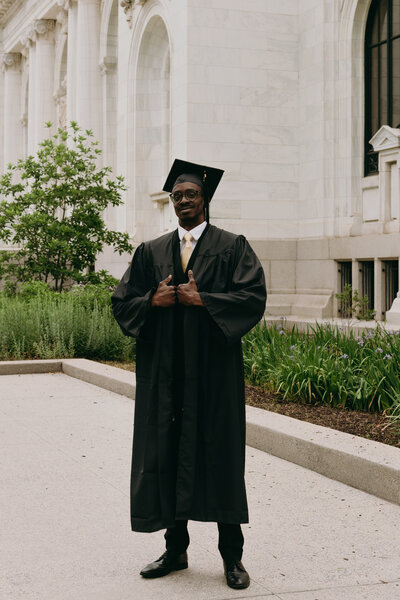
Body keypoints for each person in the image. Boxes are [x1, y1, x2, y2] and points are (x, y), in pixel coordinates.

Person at [111, 159, 267, 590]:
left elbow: (253, 297)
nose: (183, 201)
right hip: (165, 378)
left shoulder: (233, 246)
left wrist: (205, 300)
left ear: (205, 198)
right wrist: (152, 301)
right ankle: (175, 549)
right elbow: (122, 302)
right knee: (168, 454)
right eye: (177, 196)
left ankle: (231, 558)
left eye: (191, 194)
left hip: (213, 378)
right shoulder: (151, 251)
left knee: (220, 459)